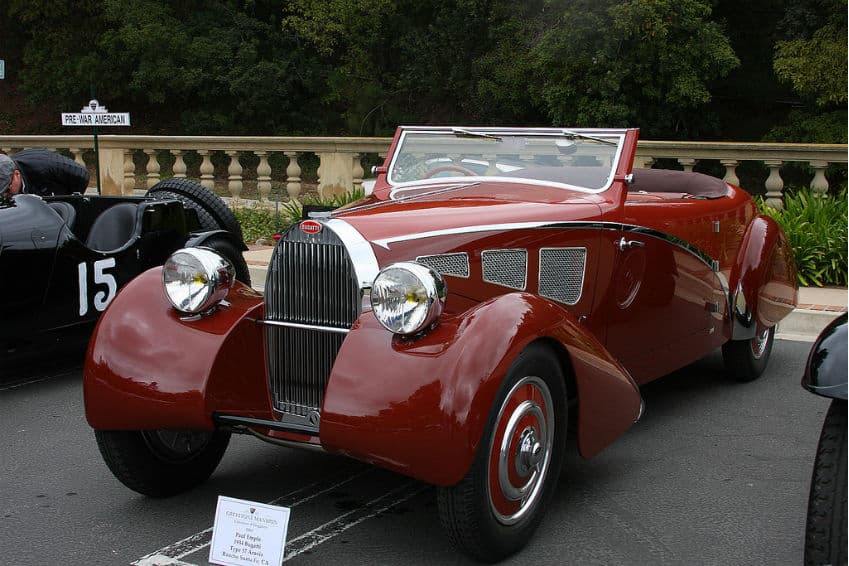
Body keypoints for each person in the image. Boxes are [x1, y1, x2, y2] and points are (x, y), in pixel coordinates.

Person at [0, 149, 90, 197]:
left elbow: (82, 174)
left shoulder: (47, 166)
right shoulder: (6, 168)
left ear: (16, 175)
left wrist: (70, 199)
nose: (5, 196)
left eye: (7, 190)